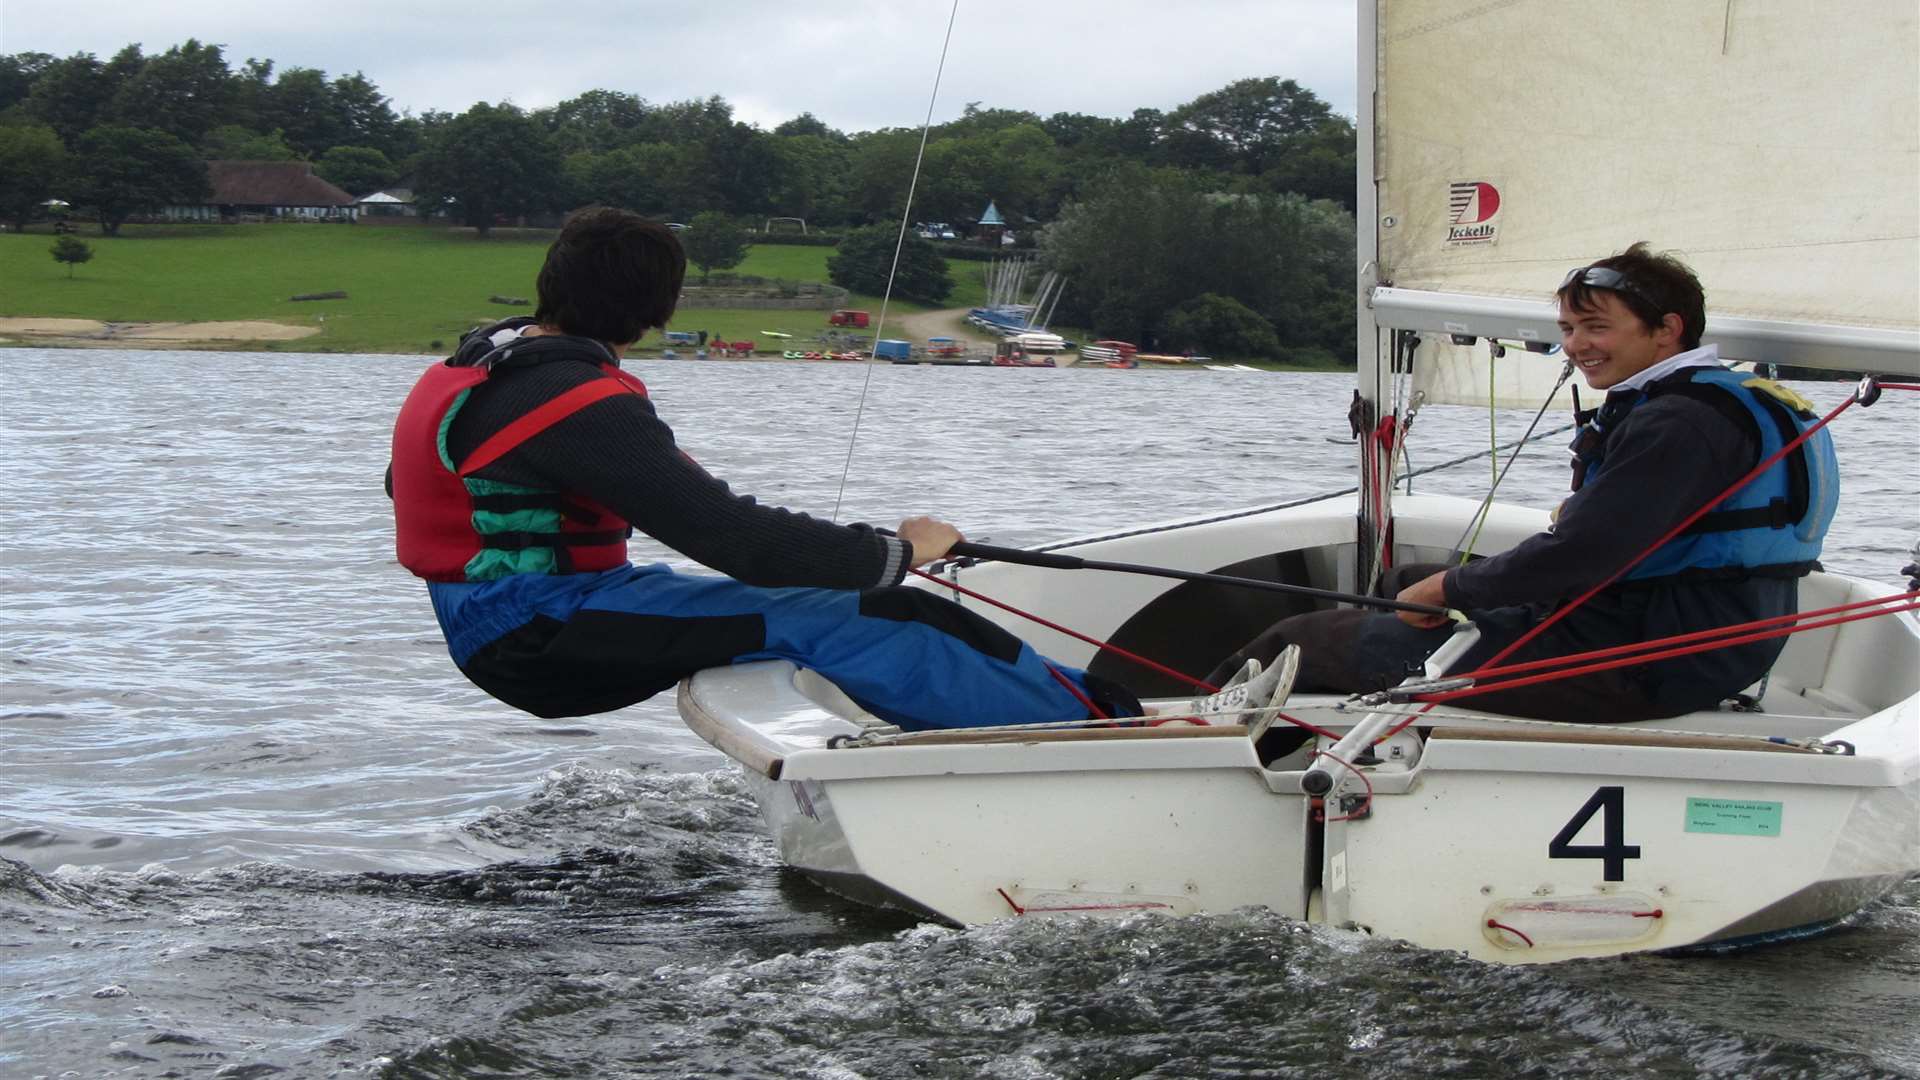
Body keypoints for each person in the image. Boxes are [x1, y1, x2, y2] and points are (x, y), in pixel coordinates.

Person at [390, 207, 1189, 731]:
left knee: (836, 605)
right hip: (538, 636)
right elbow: (739, 543)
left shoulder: (487, 366)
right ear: (663, 307)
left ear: (551, 284)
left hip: (504, 622)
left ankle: (1056, 718)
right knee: (885, 612)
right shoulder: (576, 402)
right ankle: (1109, 729)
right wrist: (900, 552)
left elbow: (421, 490)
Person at [1210, 242, 1838, 723]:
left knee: (1300, 641)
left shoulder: (1677, 423)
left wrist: (1450, 586)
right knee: (1401, 588)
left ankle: (1191, 744)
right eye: (1567, 330)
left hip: (1638, 660)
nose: (1577, 347)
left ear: (1667, 329)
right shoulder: (1724, 401)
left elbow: (1581, 555)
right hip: (1699, 641)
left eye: (1597, 328)